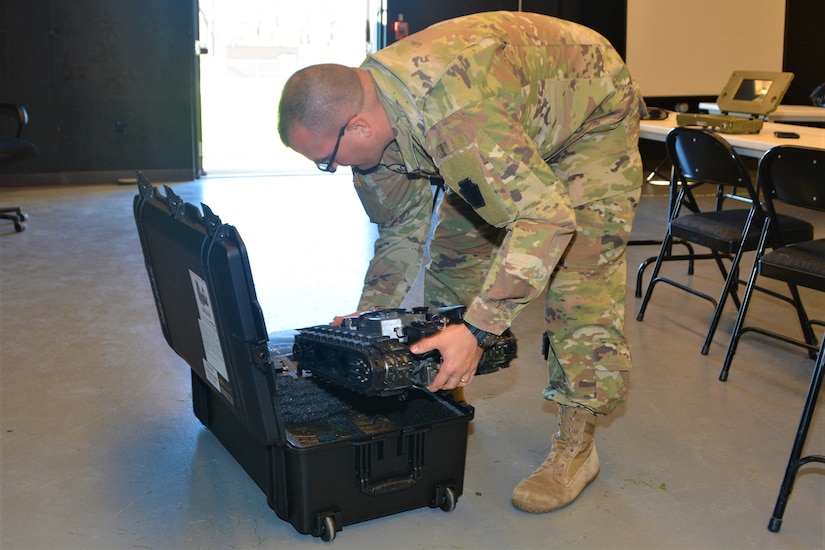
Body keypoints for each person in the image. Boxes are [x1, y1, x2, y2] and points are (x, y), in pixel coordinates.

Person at [278, 10, 644, 513]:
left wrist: (478, 331)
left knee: (581, 279)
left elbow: (547, 219)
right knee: (454, 258)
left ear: (357, 124)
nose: (334, 168)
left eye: (328, 159)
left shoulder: (453, 117)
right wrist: (369, 318)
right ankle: (446, 392)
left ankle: (576, 445)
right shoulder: (370, 119)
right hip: (506, 117)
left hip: (587, 118)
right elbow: (400, 229)